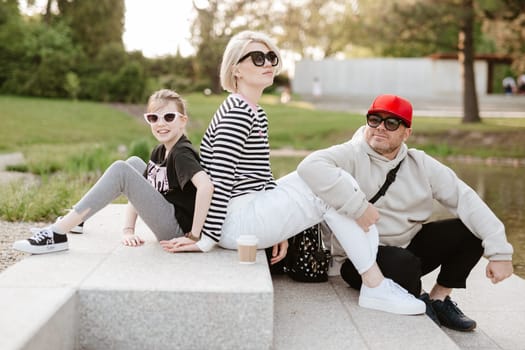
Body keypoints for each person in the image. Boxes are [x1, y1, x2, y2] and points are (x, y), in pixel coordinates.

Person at [160, 30, 425, 316]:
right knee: (327, 191)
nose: (268, 64)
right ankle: (374, 284)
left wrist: (281, 229)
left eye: (272, 57)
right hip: (233, 222)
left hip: (250, 209)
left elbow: (261, 177)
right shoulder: (236, 111)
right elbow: (220, 179)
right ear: (236, 68)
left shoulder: (254, 111)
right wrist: (204, 239)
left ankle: (373, 279)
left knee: (329, 178)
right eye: (258, 58)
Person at [296, 94, 514, 331]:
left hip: (407, 247)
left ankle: (439, 299)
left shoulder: (420, 163)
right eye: (374, 119)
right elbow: (310, 166)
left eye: (391, 123)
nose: (380, 127)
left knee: (470, 232)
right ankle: (418, 298)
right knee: (404, 264)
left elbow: (466, 199)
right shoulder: (350, 154)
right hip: (358, 260)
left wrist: (500, 252)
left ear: (406, 133)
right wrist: (357, 207)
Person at [13, 89, 214, 254]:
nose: (161, 123)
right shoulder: (159, 151)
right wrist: (128, 231)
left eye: (169, 117)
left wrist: (194, 237)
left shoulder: (182, 152)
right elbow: (140, 192)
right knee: (134, 163)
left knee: (121, 170)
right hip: (168, 215)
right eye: (153, 118)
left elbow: (206, 186)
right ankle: (77, 220)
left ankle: (57, 233)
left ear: (183, 121)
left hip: (176, 228)